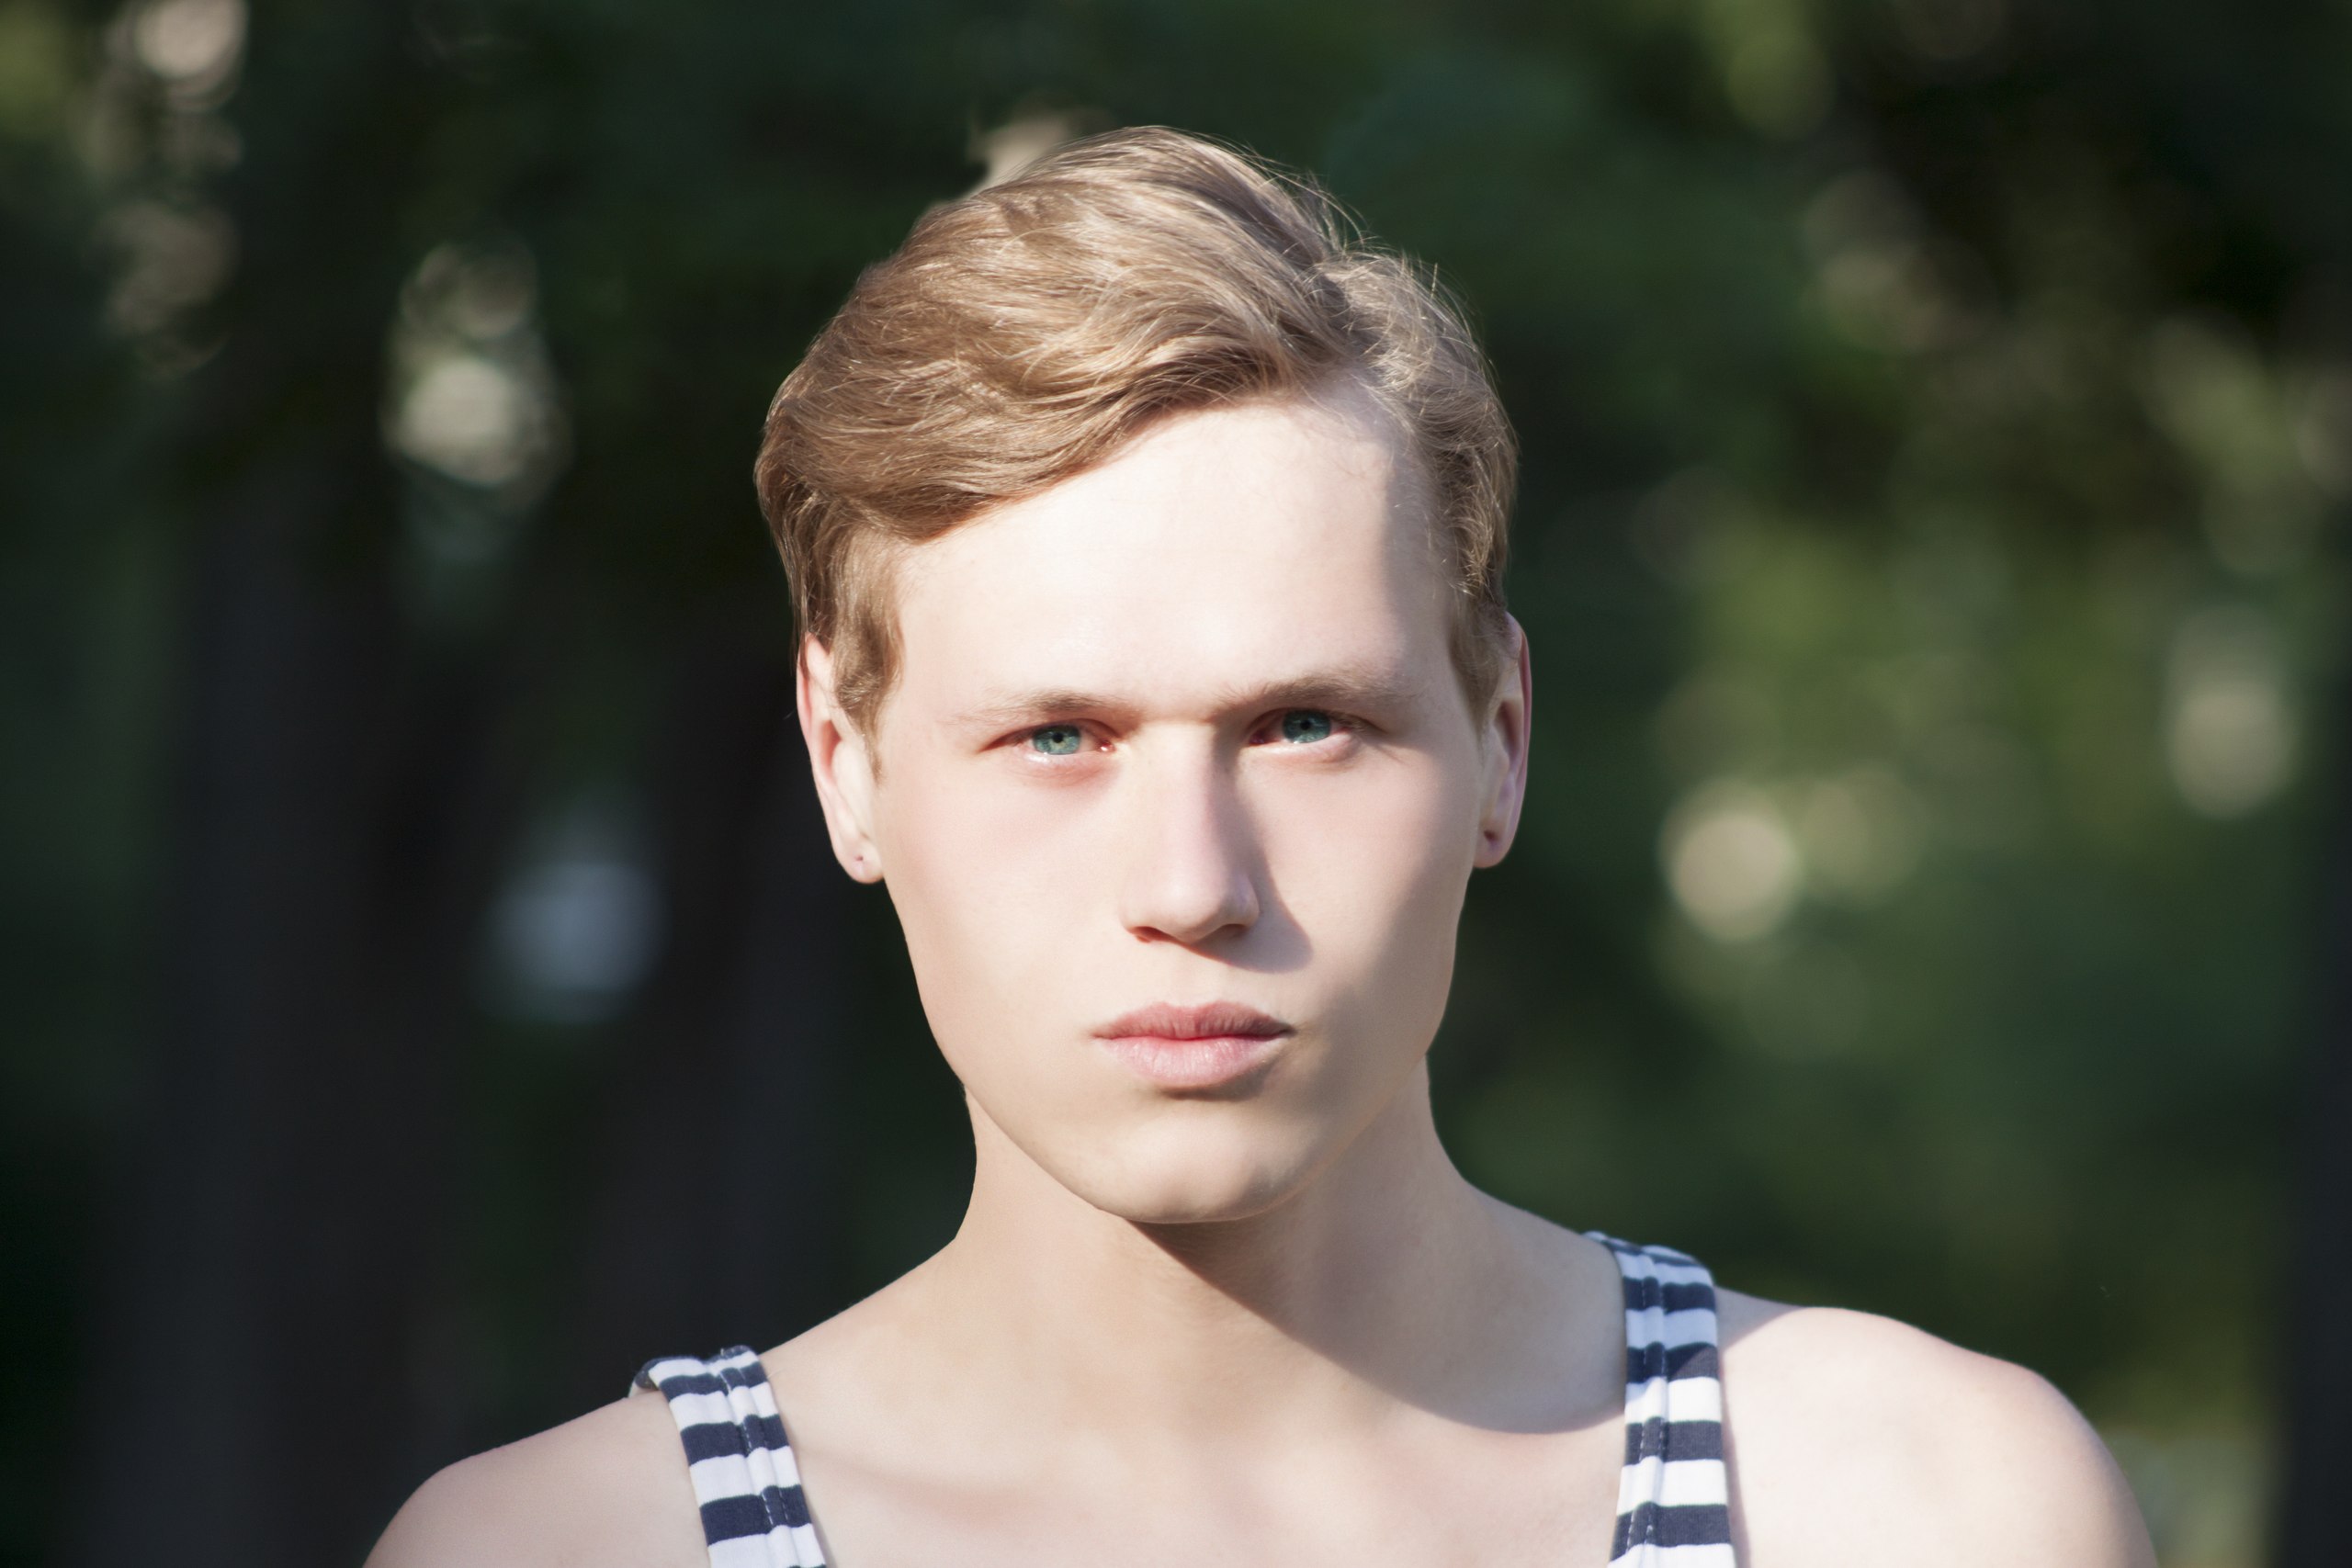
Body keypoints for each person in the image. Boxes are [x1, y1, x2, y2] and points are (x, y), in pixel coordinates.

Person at [368, 127, 2155, 1568]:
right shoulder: (567, 1550)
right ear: (847, 763)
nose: (1191, 883)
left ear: (1500, 741)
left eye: (1304, 724)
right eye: (1056, 737)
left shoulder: (1912, 1513)